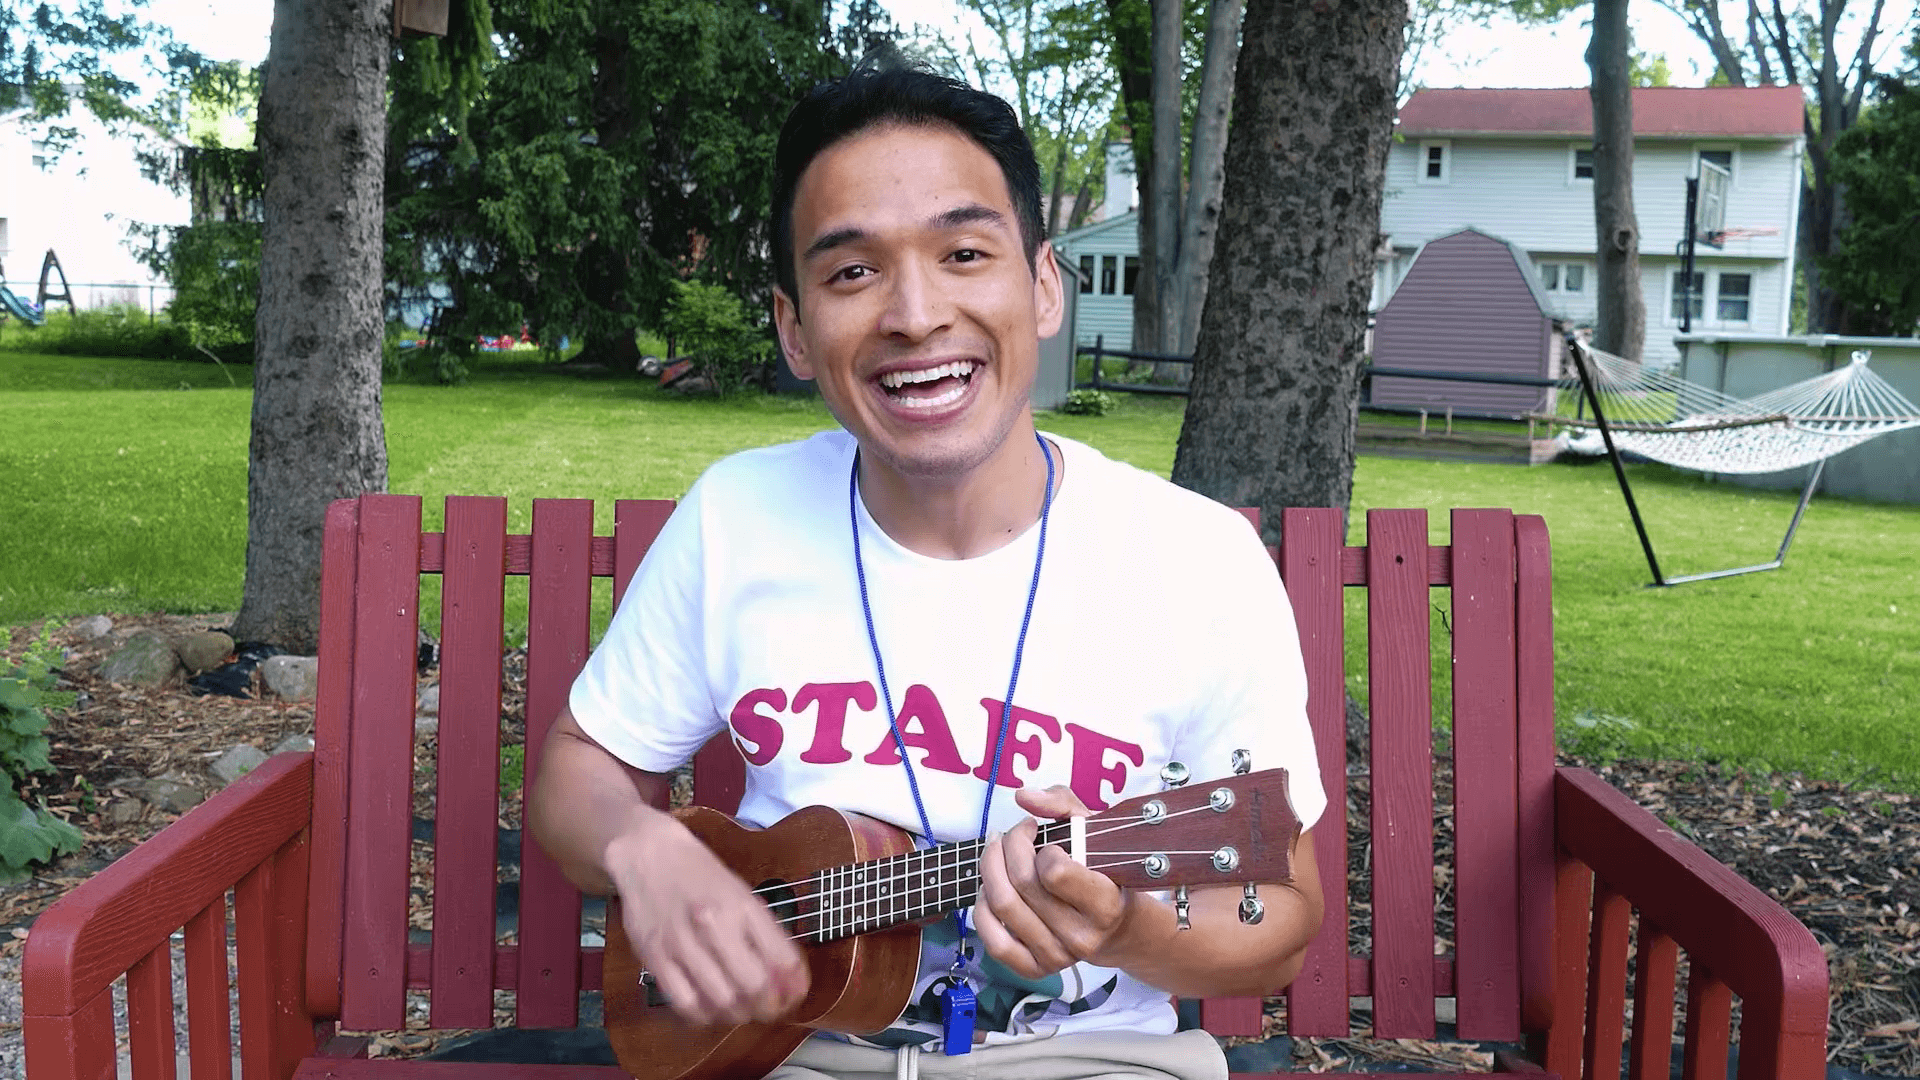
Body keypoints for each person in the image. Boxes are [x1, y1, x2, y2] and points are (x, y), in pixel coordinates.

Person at [528, 53, 1326, 1080]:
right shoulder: (737, 516)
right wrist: (645, 850)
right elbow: (575, 777)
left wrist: (1121, 925)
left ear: (1043, 285)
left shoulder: (1198, 561)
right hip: (792, 1054)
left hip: (1092, 1060)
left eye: (963, 253)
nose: (913, 314)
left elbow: (1285, 915)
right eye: (852, 271)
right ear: (795, 329)